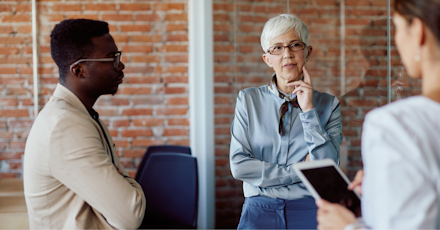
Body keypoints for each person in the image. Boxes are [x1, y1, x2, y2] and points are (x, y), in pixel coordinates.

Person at [316, 0, 440, 229]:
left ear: (418, 32)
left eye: (398, 28)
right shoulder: (356, 103)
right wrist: (377, 195)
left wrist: (347, 227)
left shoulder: (393, 124)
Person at [23, 19, 146, 229]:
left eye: (119, 56)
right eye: (111, 59)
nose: (121, 65)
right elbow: (130, 213)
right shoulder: (65, 125)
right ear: (79, 70)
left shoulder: (80, 114)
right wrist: (131, 186)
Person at [229, 14, 343, 229]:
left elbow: (327, 170)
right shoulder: (248, 100)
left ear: (307, 52)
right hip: (258, 210)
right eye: (277, 48)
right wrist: (298, 170)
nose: (287, 55)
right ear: (267, 59)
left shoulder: (329, 105)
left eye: (295, 45)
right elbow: (239, 167)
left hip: (311, 211)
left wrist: (309, 110)